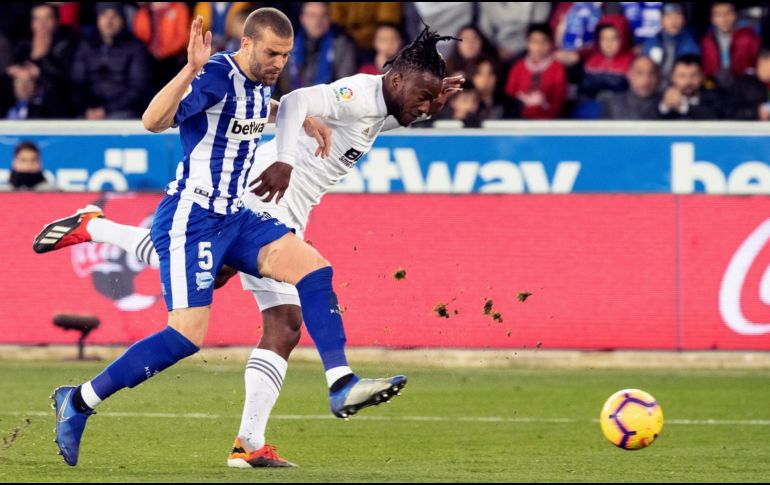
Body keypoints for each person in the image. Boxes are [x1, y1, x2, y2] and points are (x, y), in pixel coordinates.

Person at [40, 12, 455, 469]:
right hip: (195, 216)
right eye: (273, 53)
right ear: (248, 44)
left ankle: (340, 383)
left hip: (237, 215)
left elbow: (270, 106)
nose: (280, 63)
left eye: (286, 56)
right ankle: (78, 400)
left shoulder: (258, 84)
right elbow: (152, 121)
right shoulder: (217, 73)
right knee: (185, 337)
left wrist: (299, 118)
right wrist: (190, 69)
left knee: (313, 271)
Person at [70, 3, 151, 119]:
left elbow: (138, 87)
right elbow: (76, 82)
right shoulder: (85, 46)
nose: (109, 22)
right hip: (88, 111)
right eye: (104, 16)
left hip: (122, 111)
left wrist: (106, 109)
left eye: (114, 16)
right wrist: (87, 108)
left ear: (122, 20)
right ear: (97, 19)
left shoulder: (135, 47)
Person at [278, 2, 357, 94]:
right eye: (312, 16)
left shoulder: (342, 45)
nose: (318, 21)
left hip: (329, 100)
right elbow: (283, 79)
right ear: (303, 19)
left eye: (323, 15)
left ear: (329, 19)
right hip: (293, 98)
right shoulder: (289, 45)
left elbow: (345, 83)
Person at [504, 24, 567, 120]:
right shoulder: (518, 67)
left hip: (547, 121)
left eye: (543, 42)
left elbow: (558, 100)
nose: (538, 46)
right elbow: (509, 95)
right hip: (518, 120)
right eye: (534, 41)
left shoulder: (557, 68)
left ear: (551, 44)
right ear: (527, 43)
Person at [702, 2, 761, 87]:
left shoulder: (749, 37)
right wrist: (709, 86)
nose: (724, 19)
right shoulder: (707, 40)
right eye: (718, 15)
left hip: (745, 85)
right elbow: (707, 70)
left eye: (728, 14)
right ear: (712, 19)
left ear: (735, 15)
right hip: (717, 85)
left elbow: (759, 63)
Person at [642, 3, 700, 85]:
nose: (673, 21)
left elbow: (690, 74)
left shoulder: (690, 44)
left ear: (684, 19)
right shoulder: (652, 42)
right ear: (661, 19)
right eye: (669, 16)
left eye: (677, 16)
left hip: (680, 87)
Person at [580, 14, 636, 100]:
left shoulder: (632, 63)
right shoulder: (592, 61)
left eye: (614, 39)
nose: (608, 44)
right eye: (603, 39)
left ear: (624, 38)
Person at [658, 54, 721, 120]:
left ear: (702, 77)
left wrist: (684, 107)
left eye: (694, 75)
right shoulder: (660, 99)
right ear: (673, 77)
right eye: (682, 76)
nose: (688, 81)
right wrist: (665, 106)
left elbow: (716, 117)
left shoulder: (715, 99)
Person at [602, 56, 661, 120]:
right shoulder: (613, 104)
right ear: (629, 75)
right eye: (639, 73)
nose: (646, 80)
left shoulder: (664, 103)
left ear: (658, 77)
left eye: (651, 74)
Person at [726, 50, 770, 120]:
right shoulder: (743, 84)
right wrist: (756, 113)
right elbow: (729, 112)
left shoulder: (766, 85)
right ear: (762, 62)